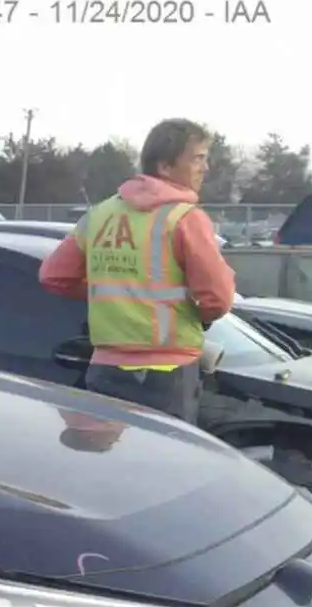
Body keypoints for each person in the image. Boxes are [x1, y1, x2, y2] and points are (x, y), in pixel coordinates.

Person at [37, 118, 235, 423]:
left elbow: (54, 276)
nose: (205, 168)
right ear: (165, 167)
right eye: (197, 158)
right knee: (164, 465)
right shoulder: (185, 218)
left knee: (111, 465)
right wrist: (198, 317)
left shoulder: (101, 214)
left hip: (106, 367)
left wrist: (113, 294)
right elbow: (218, 299)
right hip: (168, 372)